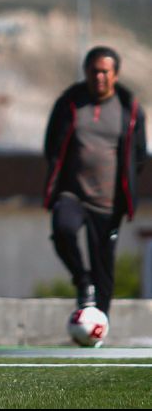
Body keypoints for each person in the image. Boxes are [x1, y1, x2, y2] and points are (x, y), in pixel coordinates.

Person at [44, 46, 146, 317]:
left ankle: (98, 326)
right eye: (93, 71)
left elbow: (138, 156)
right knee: (63, 229)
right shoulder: (69, 103)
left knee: (104, 271)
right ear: (86, 72)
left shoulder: (130, 110)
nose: (98, 76)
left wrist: (126, 189)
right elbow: (51, 145)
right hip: (73, 194)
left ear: (115, 74)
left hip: (108, 203)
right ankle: (81, 279)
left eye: (104, 71)